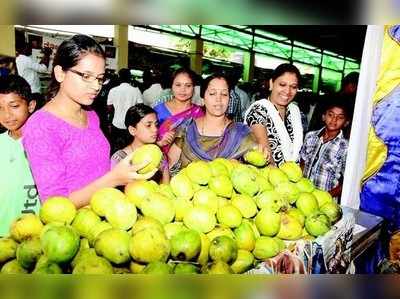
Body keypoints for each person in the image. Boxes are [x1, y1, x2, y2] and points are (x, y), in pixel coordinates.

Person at [22, 35, 155, 208]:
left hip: (106, 214)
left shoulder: (91, 114)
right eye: (86, 76)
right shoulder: (41, 126)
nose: (96, 86)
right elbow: (55, 205)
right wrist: (113, 178)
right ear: (60, 73)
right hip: (73, 228)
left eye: (100, 78)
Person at [168, 74, 267, 169]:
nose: (218, 99)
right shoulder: (187, 129)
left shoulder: (241, 133)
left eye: (224, 94)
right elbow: (170, 165)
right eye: (212, 93)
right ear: (203, 99)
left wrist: (264, 155)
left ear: (229, 99)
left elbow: (256, 166)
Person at [0, 75, 40, 236]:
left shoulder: (42, 143)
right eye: (0, 108)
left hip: (33, 233)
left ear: (31, 105)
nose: (6, 115)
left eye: (14, 106)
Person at [244, 63, 303, 166]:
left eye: (293, 87)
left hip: (293, 176)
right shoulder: (258, 110)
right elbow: (265, 154)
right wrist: (282, 179)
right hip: (266, 177)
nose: (287, 91)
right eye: (282, 85)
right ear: (271, 83)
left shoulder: (295, 111)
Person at [300, 100, 350, 200]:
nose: (334, 120)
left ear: (346, 122)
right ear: (324, 117)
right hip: (303, 197)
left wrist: (327, 196)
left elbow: (347, 182)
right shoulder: (310, 137)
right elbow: (303, 162)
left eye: (340, 117)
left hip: (326, 201)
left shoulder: (345, 147)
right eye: (330, 115)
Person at [111, 104, 169, 184]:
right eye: (148, 125)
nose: (155, 129)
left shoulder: (160, 155)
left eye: (156, 125)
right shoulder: (119, 158)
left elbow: (166, 187)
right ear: (132, 130)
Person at [154, 67, 204, 154]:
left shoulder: (199, 113)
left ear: (194, 87)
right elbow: (145, 140)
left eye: (188, 85)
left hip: (188, 163)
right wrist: (159, 143)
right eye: (178, 85)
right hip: (157, 160)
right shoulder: (158, 110)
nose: (182, 90)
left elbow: (203, 142)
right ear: (172, 86)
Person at [107, 68, 143, 153]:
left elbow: (109, 108)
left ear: (119, 77)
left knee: (115, 149)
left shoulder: (113, 90)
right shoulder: (136, 91)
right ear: (130, 77)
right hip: (130, 126)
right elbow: (141, 106)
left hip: (116, 124)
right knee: (129, 150)